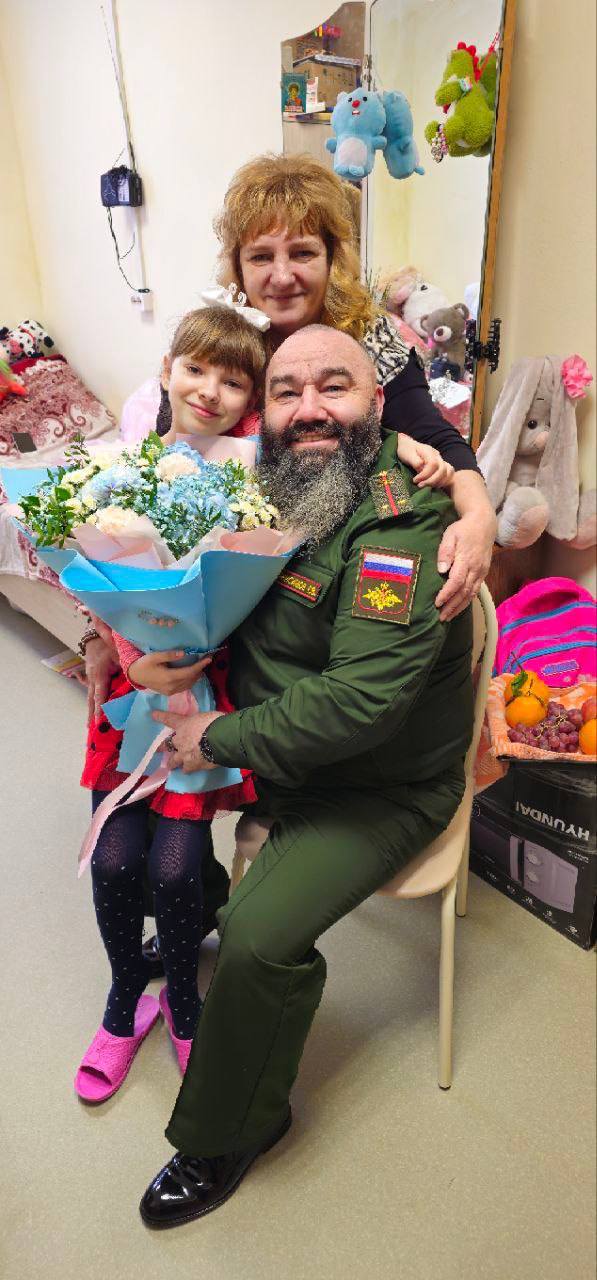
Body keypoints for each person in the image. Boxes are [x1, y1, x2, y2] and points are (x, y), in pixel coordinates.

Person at [83, 153, 496, 964]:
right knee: (149, 798)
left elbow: (433, 438)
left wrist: (476, 510)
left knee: (248, 734)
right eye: (259, 255)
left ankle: (223, 888)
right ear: (235, 265)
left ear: (332, 257)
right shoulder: (221, 343)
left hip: (308, 602)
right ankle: (191, 903)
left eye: (302, 251)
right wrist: (113, 635)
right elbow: (146, 500)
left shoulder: (372, 342)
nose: (281, 275)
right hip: (216, 611)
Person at [138, 325, 474, 1227]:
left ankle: (231, 1129)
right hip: (268, 742)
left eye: (336, 387)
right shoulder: (271, 484)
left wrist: (217, 735)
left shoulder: (401, 524)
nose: (309, 409)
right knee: (144, 832)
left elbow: (361, 704)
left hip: (373, 783)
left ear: (379, 405)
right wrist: (134, 643)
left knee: (257, 938)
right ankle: (193, 912)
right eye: (286, 392)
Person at [74, 306, 269, 1100]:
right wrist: (127, 654)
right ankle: (127, 998)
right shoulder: (120, 471)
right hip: (129, 699)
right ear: (166, 371)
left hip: (198, 701)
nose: (209, 391)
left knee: (177, 866)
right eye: (196, 369)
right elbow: (93, 578)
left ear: (250, 400)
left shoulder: (248, 479)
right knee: (115, 860)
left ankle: (184, 1002)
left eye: (233, 381)